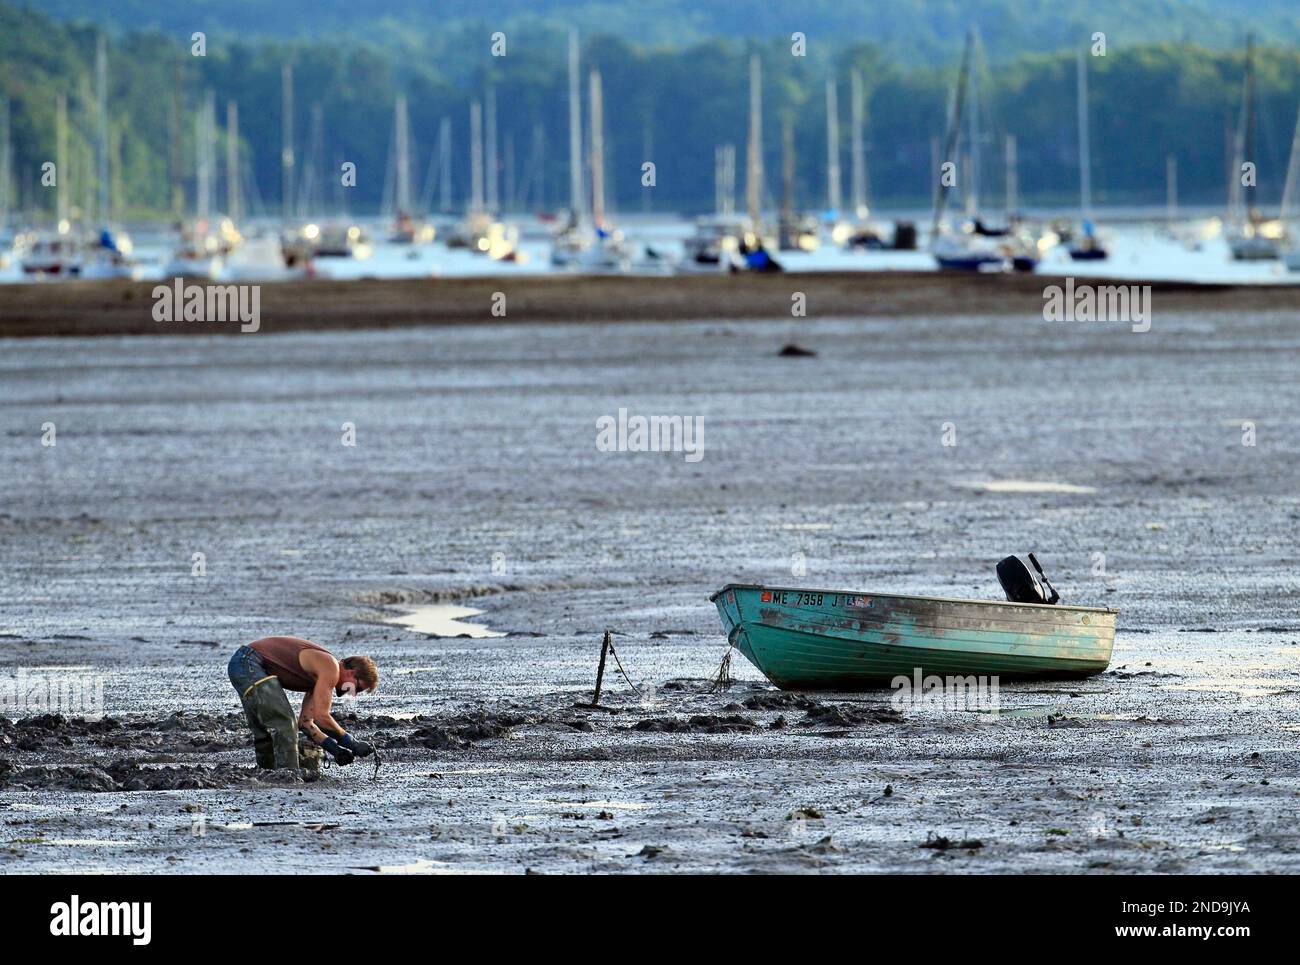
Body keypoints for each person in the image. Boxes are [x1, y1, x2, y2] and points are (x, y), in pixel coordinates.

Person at [226, 635, 378, 771]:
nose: (353, 693)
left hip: (243, 665)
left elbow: (306, 723)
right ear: (351, 672)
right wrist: (351, 743)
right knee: (284, 722)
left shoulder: (319, 679)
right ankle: (288, 775)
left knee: (263, 730)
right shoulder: (331, 668)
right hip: (249, 662)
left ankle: (268, 773)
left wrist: (334, 749)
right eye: (357, 688)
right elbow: (322, 717)